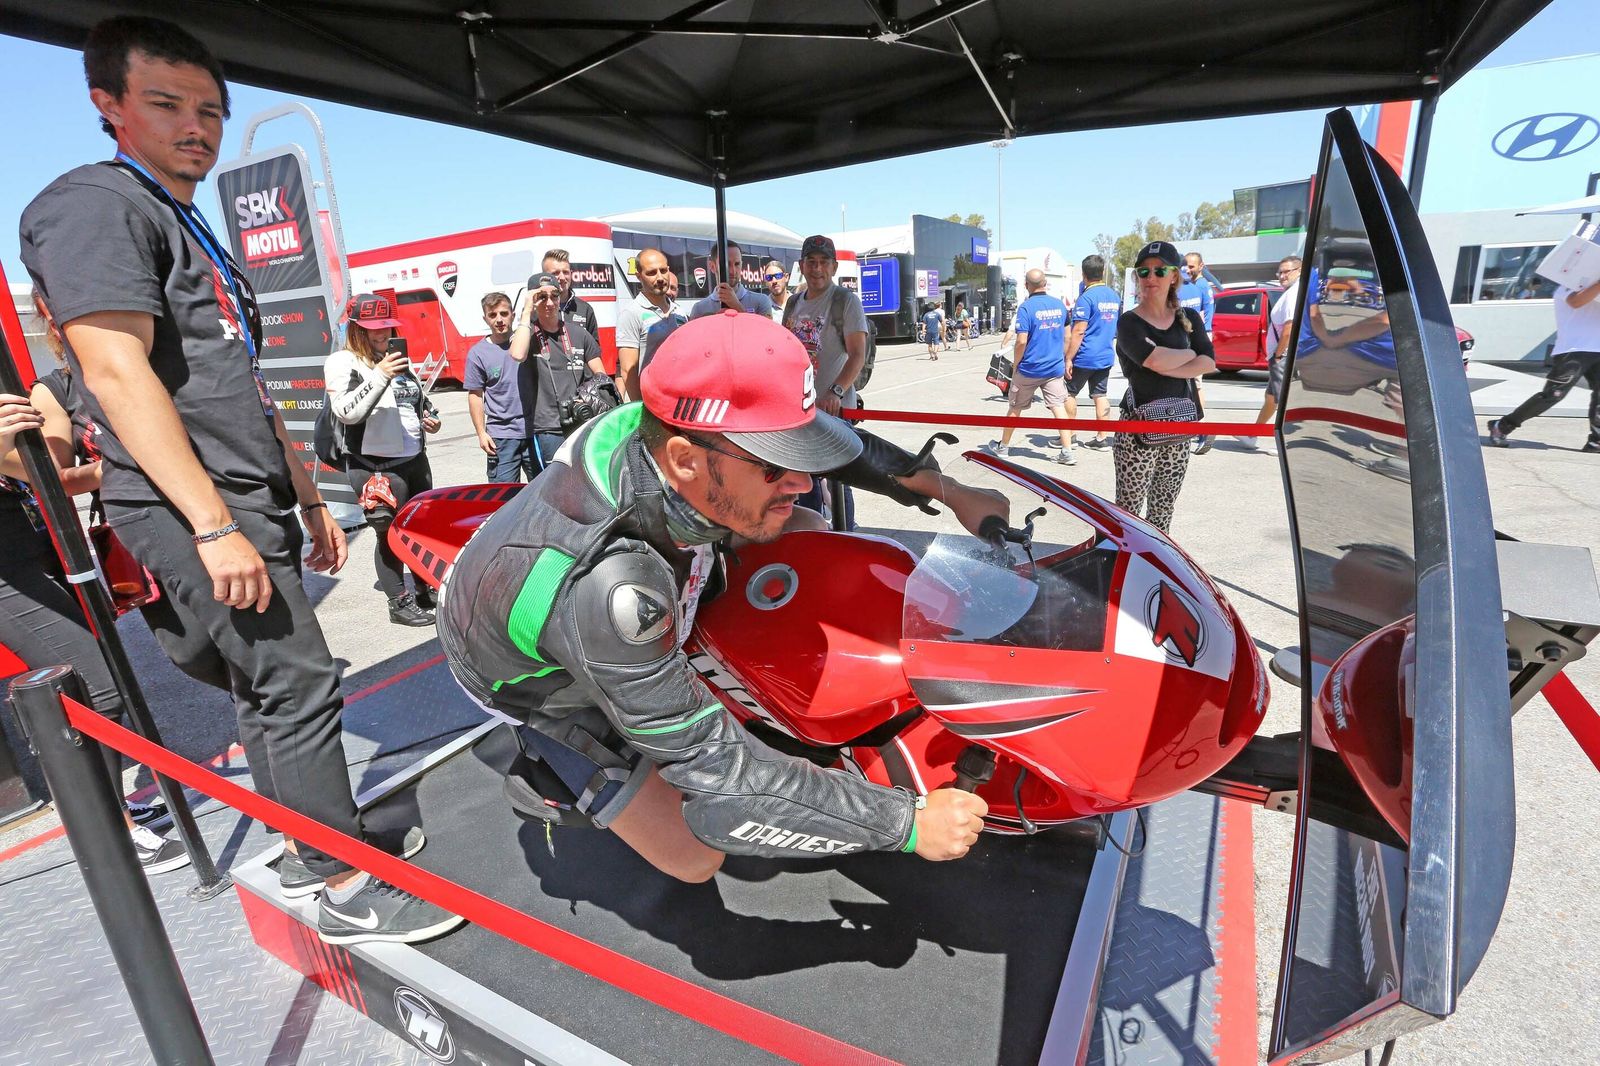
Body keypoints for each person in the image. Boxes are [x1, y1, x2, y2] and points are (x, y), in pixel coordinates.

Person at [20, 15, 459, 945]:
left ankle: (312, 839)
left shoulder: (176, 215)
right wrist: (215, 525)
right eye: (167, 104)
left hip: (242, 493)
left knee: (269, 685)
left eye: (211, 109)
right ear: (109, 106)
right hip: (194, 505)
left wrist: (302, 495)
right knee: (296, 681)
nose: (198, 126)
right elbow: (114, 371)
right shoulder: (96, 205)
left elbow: (240, 382)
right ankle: (340, 882)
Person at [438, 312, 1003, 882]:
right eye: (777, 463)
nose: (802, 476)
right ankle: (553, 765)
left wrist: (951, 491)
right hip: (538, 682)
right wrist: (905, 823)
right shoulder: (611, 591)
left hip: (623, 560)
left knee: (803, 523)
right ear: (684, 459)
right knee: (695, 860)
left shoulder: (663, 428)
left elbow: (831, 449)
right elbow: (721, 780)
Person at [0, 296, 192, 873]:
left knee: (103, 677)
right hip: (8, 570)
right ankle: (107, 826)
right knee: (95, 685)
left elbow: (49, 467)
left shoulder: (26, 385)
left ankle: (111, 813)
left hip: (38, 548)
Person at [325, 293, 441, 626]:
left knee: (420, 530)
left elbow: (418, 401)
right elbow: (347, 412)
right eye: (374, 328)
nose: (382, 334)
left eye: (387, 327)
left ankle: (422, 588)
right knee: (389, 535)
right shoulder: (342, 362)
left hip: (414, 460)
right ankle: (398, 603)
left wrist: (429, 418)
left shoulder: (395, 357)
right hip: (375, 467)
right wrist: (380, 374)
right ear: (355, 329)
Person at [1113, 241, 1215, 533]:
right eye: (1143, 271)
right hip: (1138, 429)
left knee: (1163, 508)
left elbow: (1209, 362)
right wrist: (1188, 355)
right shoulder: (1130, 323)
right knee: (1128, 509)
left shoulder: (1189, 318)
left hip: (1179, 426)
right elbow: (1154, 360)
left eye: (1160, 271)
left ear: (1174, 276)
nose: (1151, 278)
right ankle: (1124, 566)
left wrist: (1173, 360)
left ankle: (1157, 566)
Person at [782, 235, 870, 525]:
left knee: (838, 479)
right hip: (800, 411)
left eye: (823, 263)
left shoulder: (845, 301)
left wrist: (836, 390)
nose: (817, 269)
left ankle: (847, 534)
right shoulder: (793, 303)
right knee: (804, 481)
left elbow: (858, 354)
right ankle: (814, 533)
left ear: (833, 267)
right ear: (801, 266)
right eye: (811, 262)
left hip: (834, 411)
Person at [509, 271, 609, 470]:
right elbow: (518, 354)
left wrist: (587, 400)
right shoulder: (526, 334)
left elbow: (602, 377)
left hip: (582, 421)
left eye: (553, 295)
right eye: (541, 297)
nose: (549, 302)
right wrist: (527, 312)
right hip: (549, 429)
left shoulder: (578, 333)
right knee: (554, 488)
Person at [1488, 279, 1600, 451]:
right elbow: (1577, 302)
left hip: (1597, 349)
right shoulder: (1566, 286)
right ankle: (1502, 426)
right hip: (1573, 350)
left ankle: (1596, 441)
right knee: (1553, 395)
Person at [986, 269, 1074, 464]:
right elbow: (1068, 336)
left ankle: (1003, 447)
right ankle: (1067, 452)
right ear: (1045, 284)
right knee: (1058, 406)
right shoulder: (1060, 306)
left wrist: (1016, 364)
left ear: (1026, 286)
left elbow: (1021, 341)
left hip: (1029, 368)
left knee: (1015, 407)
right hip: (1053, 368)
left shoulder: (1026, 308)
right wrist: (1062, 357)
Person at [464, 291, 534, 483]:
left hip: (533, 432)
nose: (499, 320)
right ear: (485, 318)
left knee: (542, 495)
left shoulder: (528, 341)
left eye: (504, 313)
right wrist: (481, 433)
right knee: (503, 500)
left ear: (512, 314)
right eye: (492, 315)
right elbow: (475, 395)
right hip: (500, 438)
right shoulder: (478, 353)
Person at [1242, 255, 1302, 450]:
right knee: (1271, 397)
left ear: (1299, 271)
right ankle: (1253, 435)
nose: (1282, 276)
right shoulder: (1291, 292)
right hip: (1282, 356)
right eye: (1280, 272)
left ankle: (1286, 445)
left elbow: (1289, 328)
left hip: (1283, 356)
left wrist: (1278, 354)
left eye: (1287, 271)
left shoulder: (1293, 295)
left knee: (1282, 400)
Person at [1065, 255, 1121, 451]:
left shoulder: (1086, 298)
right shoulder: (1114, 296)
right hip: (1105, 354)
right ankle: (1102, 438)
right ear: (1102, 271)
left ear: (1084, 274)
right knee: (1100, 394)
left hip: (1085, 355)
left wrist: (1068, 358)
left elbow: (1079, 330)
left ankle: (1070, 436)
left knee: (1069, 393)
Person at [616, 248, 677, 401]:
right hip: (648, 403)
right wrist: (639, 409)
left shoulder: (680, 312)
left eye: (663, 270)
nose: (660, 277)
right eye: (651, 273)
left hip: (676, 401)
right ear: (638, 276)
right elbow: (627, 370)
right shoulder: (631, 313)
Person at [1179, 252, 1218, 455]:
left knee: (1193, 386)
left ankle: (1201, 427)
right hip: (1200, 338)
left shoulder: (1196, 287)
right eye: (1187, 266)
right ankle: (1195, 426)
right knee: (1194, 385)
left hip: (1191, 340)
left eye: (1192, 266)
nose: (1189, 269)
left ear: (1201, 266)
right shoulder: (1199, 287)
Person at [688, 241, 773, 320]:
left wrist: (737, 307)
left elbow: (766, 333)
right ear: (712, 266)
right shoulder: (699, 309)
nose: (733, 271)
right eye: (727, 265)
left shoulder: (761, 302)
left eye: (737, 264)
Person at [540, 248, 599, 341]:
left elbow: (594, 351)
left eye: (565, 272)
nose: (562, 277)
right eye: (555, 273)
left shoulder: (585, 309)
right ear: (544, 277)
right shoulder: (535, 308)